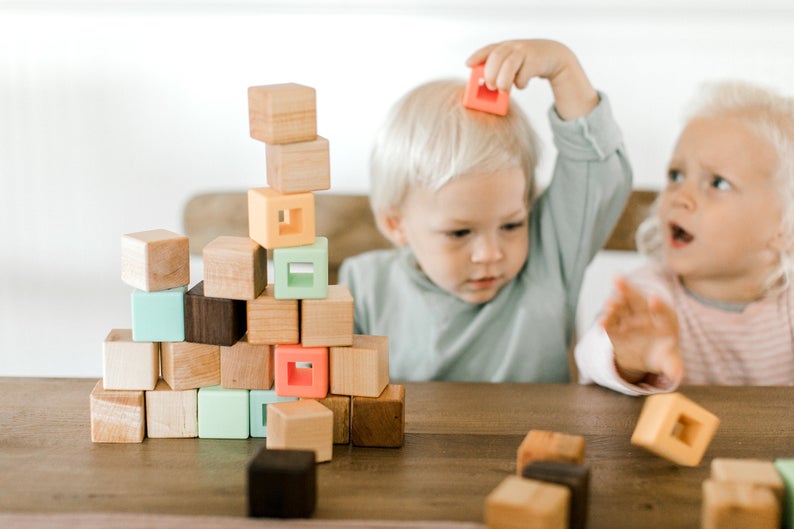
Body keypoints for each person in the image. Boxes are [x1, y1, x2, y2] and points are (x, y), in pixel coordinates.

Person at [338, 39, 632, 382]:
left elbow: (597, 175)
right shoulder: (366, 286)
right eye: (460, 232)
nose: (490, 254)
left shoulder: (548, 260)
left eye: (511, 225)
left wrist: (563, 68)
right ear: (395, 223)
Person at [575, 80, 794, 394]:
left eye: (717, 183)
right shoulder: (651, 295)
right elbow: (590, 359)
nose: (681, 196)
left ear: (784, 229)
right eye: (676, 175)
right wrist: (629, 358)